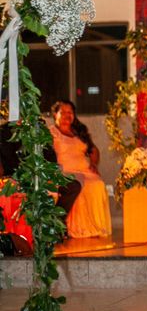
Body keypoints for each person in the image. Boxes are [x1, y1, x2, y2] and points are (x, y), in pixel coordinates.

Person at [49, 100, 111, 238]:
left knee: (97, 184)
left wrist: (94, 164)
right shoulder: (51, 133)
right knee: (81, 185)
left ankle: (94, 227)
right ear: (55, 114)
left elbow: (93, 150)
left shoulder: (79, 131)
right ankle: (66, 227)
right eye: (63, 112)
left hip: (85, 170)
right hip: (65, 171)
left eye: (70, 112)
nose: (67, 115)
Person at [0, 121, 82, 217]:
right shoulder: (4, 131)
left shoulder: (38, 127)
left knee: (73, 186)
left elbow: (50, 156)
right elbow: (9, 162)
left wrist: (52, 175)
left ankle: (55, 221)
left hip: (42, 175)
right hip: (18, 177)